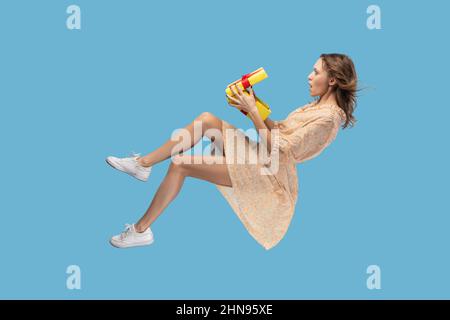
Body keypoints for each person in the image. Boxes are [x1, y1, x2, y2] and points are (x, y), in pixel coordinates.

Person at [105, 53, 358, 250]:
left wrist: (254, 113)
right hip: (262, 156)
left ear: (332, 80)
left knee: (181, 163)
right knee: (206, 119)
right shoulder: (313, 107)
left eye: (315, 72)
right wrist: (251, 106)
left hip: (269, 177)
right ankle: (143, 164)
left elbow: (282, 149)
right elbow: (278, 130)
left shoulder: (328, 119)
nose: (309, 76)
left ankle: (140, 231)